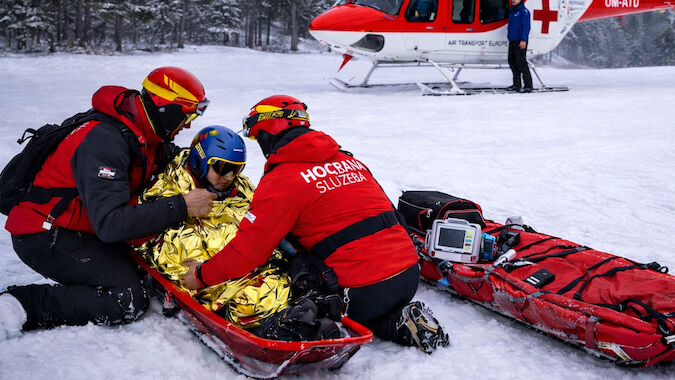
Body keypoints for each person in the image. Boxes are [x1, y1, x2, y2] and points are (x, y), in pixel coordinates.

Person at [180, 95, 450, 353]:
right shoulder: (350, 161)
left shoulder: (282, 180)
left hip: (360, 292)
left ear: (267, 132)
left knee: (285, 256)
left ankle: (322, 328)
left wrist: (202, 275)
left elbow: (249, 251)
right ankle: (396, 322)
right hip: (408, 274)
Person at [0, 67, 215, 339]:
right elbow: (111, 224)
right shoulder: (105, 140)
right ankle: (21, 306)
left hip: (82, 224)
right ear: (165, 109)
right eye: (186, 115)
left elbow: (170, 162)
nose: (189, 124)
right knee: (128, 298)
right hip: (44, 232)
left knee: (149, 266)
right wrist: (182, 205)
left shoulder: (147, 133)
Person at [137, 125, 291, 329]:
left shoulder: (238, 186)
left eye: (236, 169)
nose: (228, 176)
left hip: (256, 267)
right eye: (221, 167)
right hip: (220, 278)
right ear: (200, 161)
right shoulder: (168, 190)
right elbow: (169, 252)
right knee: (255, 303)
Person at [507, 0, 534, 92]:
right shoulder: (511, 11)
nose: (513, 0)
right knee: (512, 62)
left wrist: (524, 40)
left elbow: (526, 27)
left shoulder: (524, 12)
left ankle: (528, 84)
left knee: (521, 62)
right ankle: (516, 84)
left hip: (520, 41)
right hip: (512, 40)